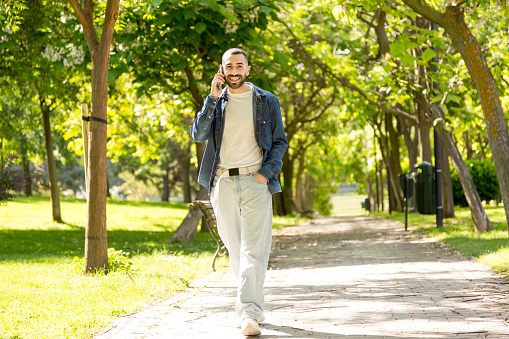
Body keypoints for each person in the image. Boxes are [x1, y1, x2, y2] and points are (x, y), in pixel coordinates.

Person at [191, 48, 288, 336]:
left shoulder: (266, 101)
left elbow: (280, 143)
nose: (234, 71)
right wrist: (211, 97)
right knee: (235, 249)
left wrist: (264, 174)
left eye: (239, 66)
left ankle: (249, 313)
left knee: (253, 250)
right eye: (228, 66)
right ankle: (251, 305)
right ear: (222, 70)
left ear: (248, 69)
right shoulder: (216, 102)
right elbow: (198, 134)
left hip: (255, 181)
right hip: (223, 183)